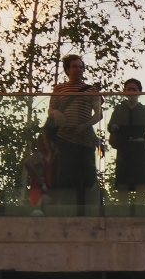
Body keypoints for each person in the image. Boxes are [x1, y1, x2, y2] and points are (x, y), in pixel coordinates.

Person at [44, 53, 104, 212]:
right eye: (75, 66)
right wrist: (55, 113)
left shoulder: (92, 90)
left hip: (85, 140)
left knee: (87, 177)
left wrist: (85, 125)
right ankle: (65, 210)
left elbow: (99, 114)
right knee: (64, 176)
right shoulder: (59, 88)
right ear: (67, 69)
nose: (78, 69)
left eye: (81, 67)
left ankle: (85, 211)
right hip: (64, 138)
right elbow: (51, 108)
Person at [107, 78, 145, 207]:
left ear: (140, 92)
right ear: (124, 91)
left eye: (134, 89)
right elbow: (110, 126)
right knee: (122, 181)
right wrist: (113, 128)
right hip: (124, 149)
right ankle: (122, 210)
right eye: (128, 89)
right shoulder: (119, 109)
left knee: (141, 181)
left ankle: (140, 210)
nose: (131, 92)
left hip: (140, 149)